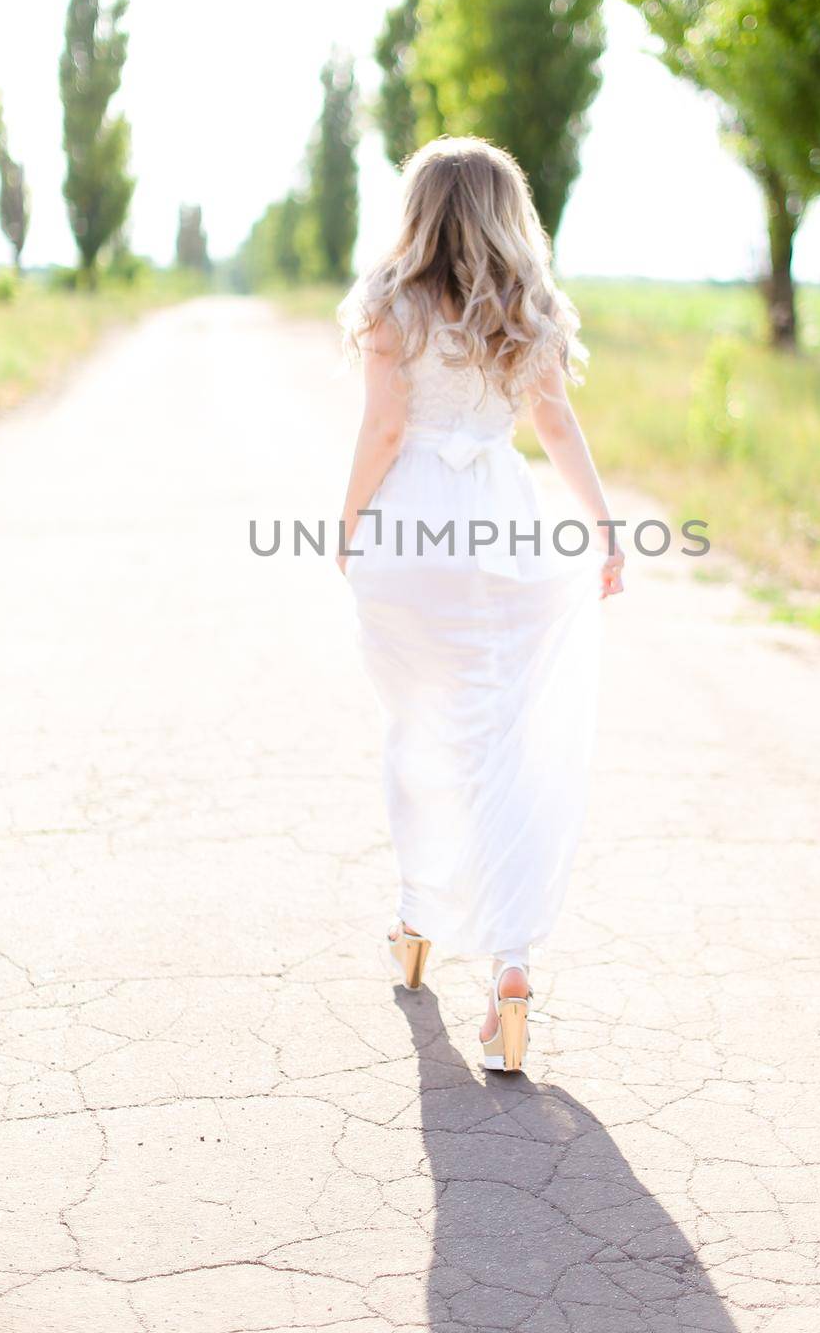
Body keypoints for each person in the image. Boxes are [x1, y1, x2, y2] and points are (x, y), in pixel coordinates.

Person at [337, 135, 624, 1072]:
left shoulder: (391, 302)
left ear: (417, 211)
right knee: (502, 738)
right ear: (510, 212)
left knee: (418, 728)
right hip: (500, 522)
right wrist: (605, 528)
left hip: (412, 525)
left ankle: (418, 922)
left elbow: (384, 427)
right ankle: (508, 973)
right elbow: (554, 424)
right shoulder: (527, 308)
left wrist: (347, 526)